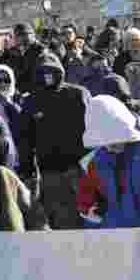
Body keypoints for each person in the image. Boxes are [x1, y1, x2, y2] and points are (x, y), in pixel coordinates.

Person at [17, 53, 90, 230]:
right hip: (50, 173)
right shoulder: (30, 101)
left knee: (89, 217)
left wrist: (93, 165)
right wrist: (28, 171)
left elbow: (93, 129)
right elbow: (25, 139)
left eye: (52, 72)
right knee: (62, 223)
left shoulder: (78, 94)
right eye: (43, 72)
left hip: (80, 169)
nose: (48, 76)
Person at [77, 95, 140, 228]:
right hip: (116, 236)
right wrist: (90, 213)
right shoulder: (94, 163)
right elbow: (86, 203)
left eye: (114, 140)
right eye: (105, 142)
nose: (110, 146)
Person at [0, 23, 46, 94]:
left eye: (24, 35)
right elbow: (3, 70)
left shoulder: (40, 51)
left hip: (37, 92)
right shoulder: (9, 53)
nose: (21, 38)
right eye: (18, 35)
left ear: (32, 35)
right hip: (16, 93)